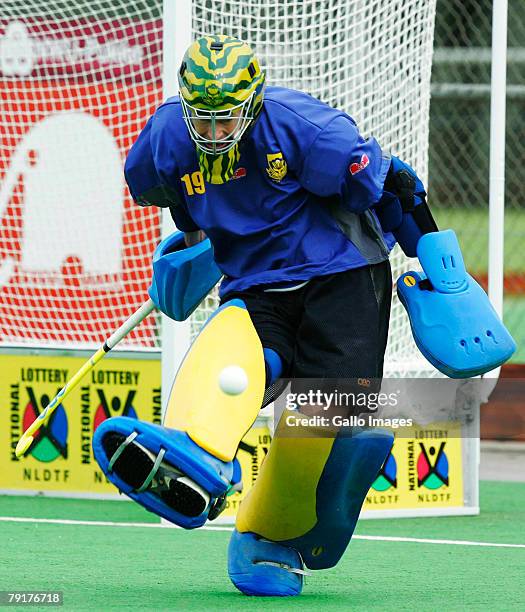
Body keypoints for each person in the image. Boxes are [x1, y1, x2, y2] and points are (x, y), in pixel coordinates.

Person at [93, 34, 514, 597]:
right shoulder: (165, 140)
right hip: (256, 283)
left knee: (318, 418)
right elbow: (178, 196)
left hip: (342, 275)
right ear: (185, 106)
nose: (216, 134)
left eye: (228, 120)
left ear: (253, 105)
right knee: (238, 353)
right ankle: (195, 450)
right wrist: (192, 244)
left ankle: (269, 535)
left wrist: (441, 267)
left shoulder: (307, 130)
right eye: (204, 119)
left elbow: (397, 185)